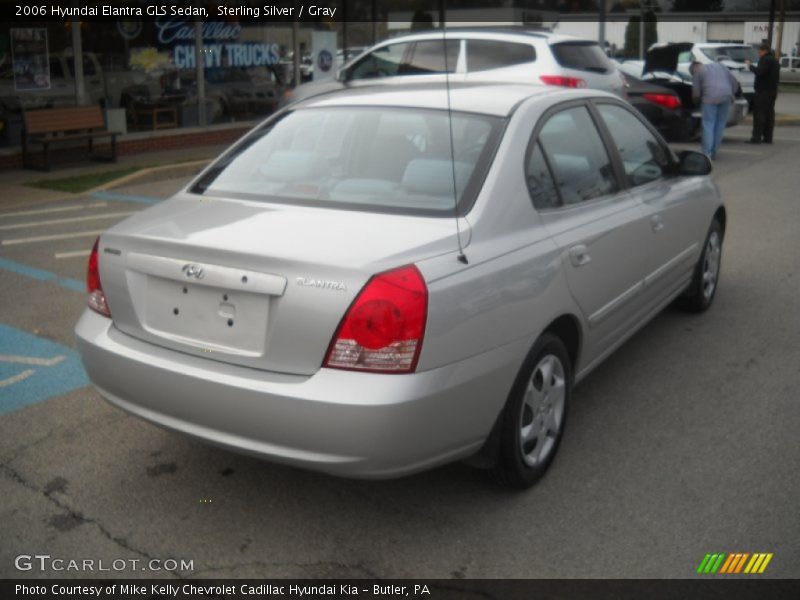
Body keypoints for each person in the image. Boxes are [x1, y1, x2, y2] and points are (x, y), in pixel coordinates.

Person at [691, 60, 739, 159]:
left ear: (693, 67)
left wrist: (696, 101)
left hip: (710, 98)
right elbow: (734, 82)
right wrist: (732, 94)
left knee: (708, 124)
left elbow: (696, 92)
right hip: (726, 96)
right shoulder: (721, 66)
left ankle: (707, 153)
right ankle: (714, 151)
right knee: (720, 124)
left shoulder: (697, 70)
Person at [745, 43, 780, 144]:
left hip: (763, 91)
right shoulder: (774, 60)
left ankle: (756, 138)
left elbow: (760, 72)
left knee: (759, 115)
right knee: (769, 114)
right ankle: (768, 137)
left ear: (764, 51)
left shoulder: (765, 60)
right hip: (772, 90)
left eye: (759, 52)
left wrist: (750, 66)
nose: (758, 54)